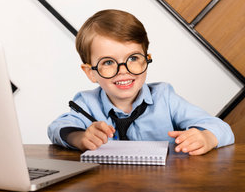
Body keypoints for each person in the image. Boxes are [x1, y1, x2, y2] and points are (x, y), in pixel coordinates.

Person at [48, 9, 234, 155]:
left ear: (146, 58)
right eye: (108, 62)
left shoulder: (165, 98)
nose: (123, 71)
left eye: (133, 58)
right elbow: (57, 128)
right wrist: (80, 137)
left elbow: (221, 127)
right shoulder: (87, 104)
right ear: (91, 73)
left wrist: (206, 137)